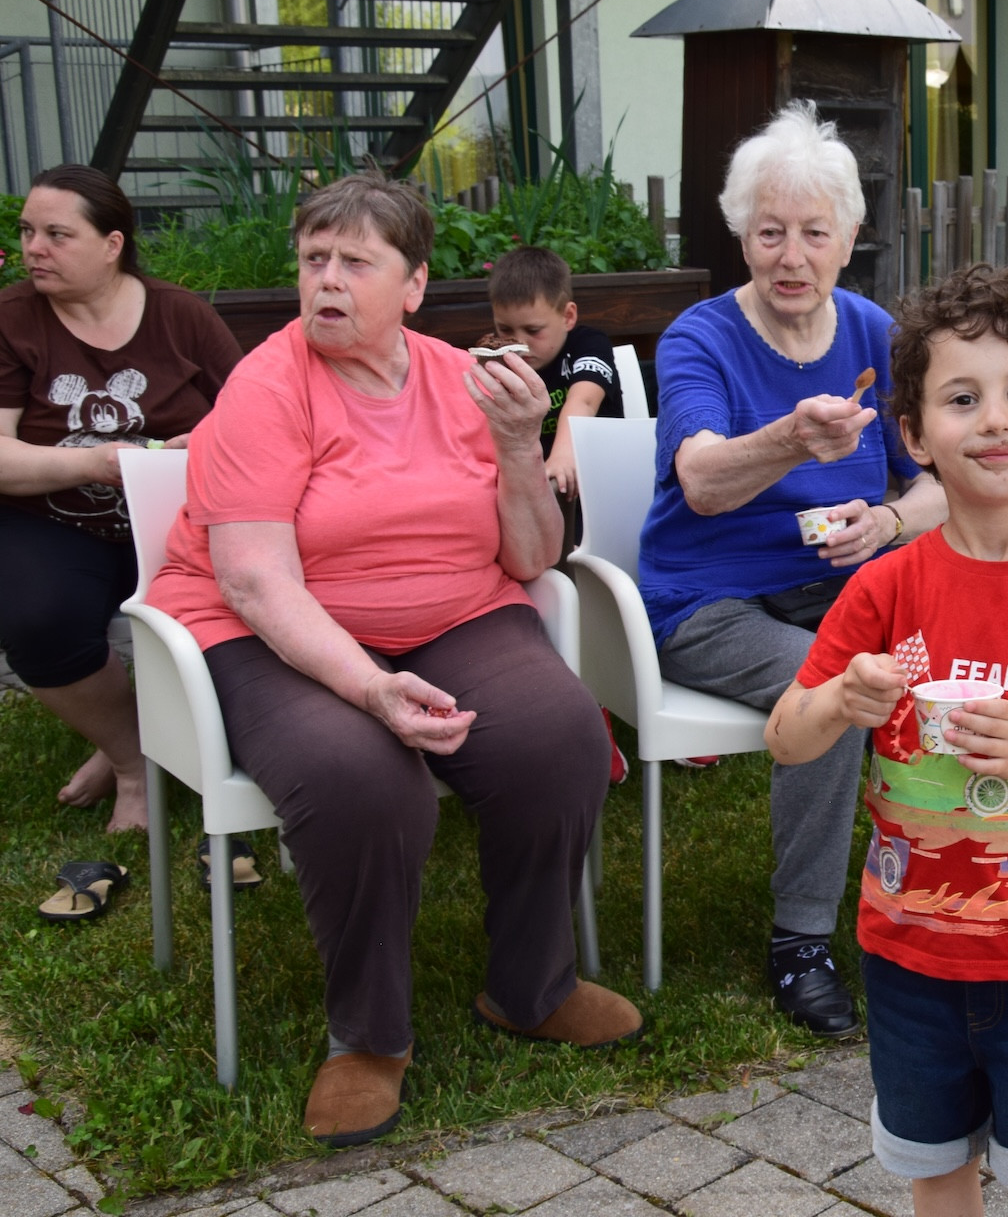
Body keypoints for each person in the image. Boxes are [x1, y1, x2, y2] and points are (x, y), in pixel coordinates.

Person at [147, 174, 640, 1147]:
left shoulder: (466, 380)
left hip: (456, 609)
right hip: (277, 626)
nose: (326, 280)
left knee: (560, 738)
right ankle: (368, 1035)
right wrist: (370, 686)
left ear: (413, 285)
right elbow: (254, 579)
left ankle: (531, 987)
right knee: (366, 778)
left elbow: (534, 557)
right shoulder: (266, 384)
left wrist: (514, 443)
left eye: (354, 262)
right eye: (313, 260)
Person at [766, 264, 1008, 1216]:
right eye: (961, 398)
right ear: (914, 434)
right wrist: (841, 703)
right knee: (935, 1173)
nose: (995, 420)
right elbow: (786, 737)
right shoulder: (884, 591)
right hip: (907, 959)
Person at [640, 101, 947, 1036]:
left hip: (839, 583)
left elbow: (939, 484)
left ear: (849, 238)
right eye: (770, 232)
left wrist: (889, 519)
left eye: (814, 233)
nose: (790, 256)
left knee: (952, 670)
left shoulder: (873, 333)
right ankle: (801, 941)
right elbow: (699, 484)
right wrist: (785, 441)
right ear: (742, 235)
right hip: (707, 598)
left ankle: (945, 895)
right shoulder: (699, 338)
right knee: (842, 688)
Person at [0, 164, 242, 834]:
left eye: (55, 234)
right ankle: (133, 759)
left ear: (112, 244)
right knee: (39, 618)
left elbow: (259, 412)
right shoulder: (12, 319)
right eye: (26, 232)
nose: (33, 250)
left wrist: (209, 440)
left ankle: (147, 742)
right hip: (52, 521)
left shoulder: (179, 316)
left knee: (252, 599)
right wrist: (91, 462)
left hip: (179, 522)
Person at [486, 244, 623, 499]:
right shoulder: (500, 360)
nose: (519, 343)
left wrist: (562, 455)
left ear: (568, 316)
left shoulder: (589, 344)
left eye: (533, 330)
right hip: (531, 492)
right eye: (505, 330)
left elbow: (583, 400)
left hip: (598, 489)